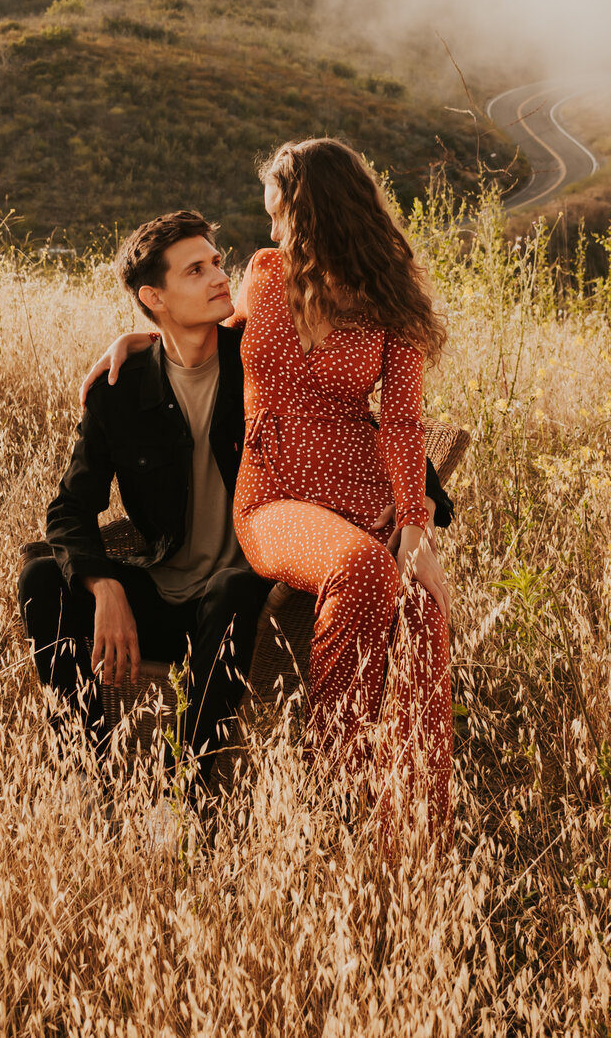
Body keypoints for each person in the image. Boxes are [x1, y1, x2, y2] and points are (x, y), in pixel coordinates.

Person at [234, 138, 453, 840]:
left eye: (279, 215)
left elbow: (403, 424)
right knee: (362, 568)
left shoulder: (392, 304)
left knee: (421, 603)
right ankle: (337, 786)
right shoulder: (264, 276)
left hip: (363, 492)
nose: (271, 232)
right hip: (273, 496)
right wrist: (131, 340)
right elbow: (200, 338)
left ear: (314, 210)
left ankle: (412, 827)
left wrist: (416, 532)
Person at [18, 211, 275, 776]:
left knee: (234, 584)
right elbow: (69, 507)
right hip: (164, 599)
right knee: (39, 578)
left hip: (243, 603)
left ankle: (181, 784)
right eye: (196, 271)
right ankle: (89, 772)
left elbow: (355, 428)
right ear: (153, 296)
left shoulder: (260, 361)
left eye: (216, 262)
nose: (219, 277)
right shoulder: (120, 389)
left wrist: (423, 494)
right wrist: (103, 584)